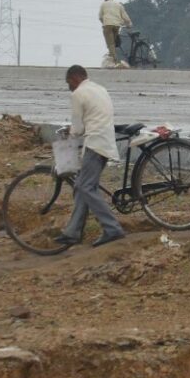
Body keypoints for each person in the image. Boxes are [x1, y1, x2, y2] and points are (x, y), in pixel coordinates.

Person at [54, 65, 127, 248]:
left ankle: (112, 228)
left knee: (85, 186)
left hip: (95, 143)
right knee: (82, 186)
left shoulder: (78, 94)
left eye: (68, 83)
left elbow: (78, 129)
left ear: (74, 78)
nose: (69, 87)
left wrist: (68, 138)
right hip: (105, 142)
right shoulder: (99, 88)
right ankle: (73, 232)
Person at [98, 0, 132, 66]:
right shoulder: (118, 5)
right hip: (117, 25)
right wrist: (129, 24)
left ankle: (114, 61)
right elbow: (125, 16)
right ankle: (114, 58)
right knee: (114, 42)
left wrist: (104, 23)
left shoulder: (103, 4)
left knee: (110, 44)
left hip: (107, 25)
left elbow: (100, 17)